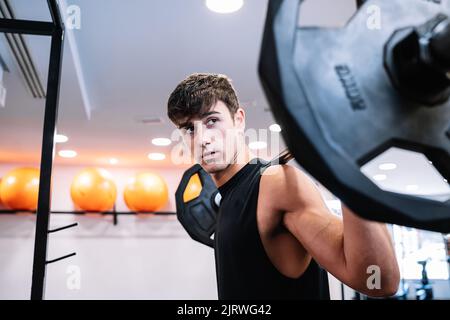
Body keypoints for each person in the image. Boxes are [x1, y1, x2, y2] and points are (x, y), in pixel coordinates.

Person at [167, 73, 400, 299]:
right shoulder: (228, 199)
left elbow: (379, 282)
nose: (202, 139)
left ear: (239, 120)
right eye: (189, 129)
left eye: (212, 121)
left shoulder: (275, 184)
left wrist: (347, 170)